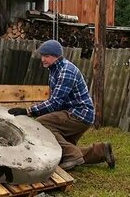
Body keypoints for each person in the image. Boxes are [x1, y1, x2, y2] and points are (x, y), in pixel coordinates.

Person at [8, 40, 115, 171]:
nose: (42, 59)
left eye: (46, 56)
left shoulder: (66, 71)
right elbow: (55, 101)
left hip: (78, 114)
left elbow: (54, 103)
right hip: (75, 113)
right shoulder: (55, 70)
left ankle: (73, 155)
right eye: (42, 55)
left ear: (57, 56)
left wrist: (27, 111)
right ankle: (101, 151)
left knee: (42, 124)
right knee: (59, 154)